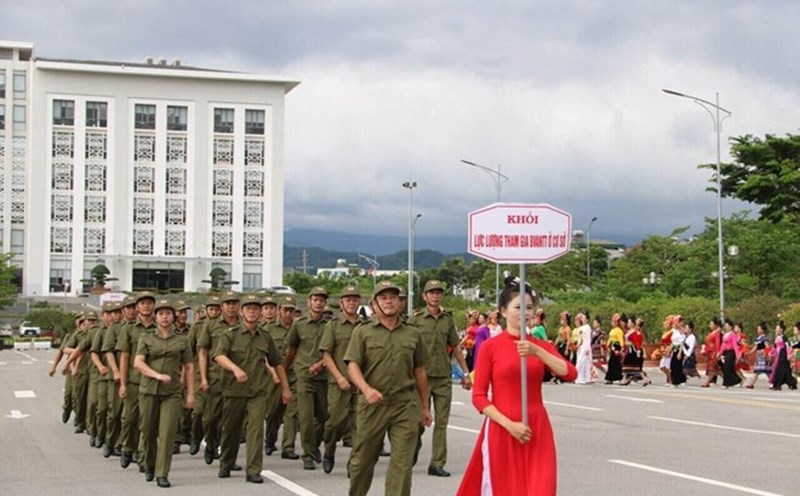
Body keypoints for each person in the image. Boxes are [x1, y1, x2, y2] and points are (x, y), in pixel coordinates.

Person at [455, 276, 577, 496]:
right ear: (503, 311)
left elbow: (570, 373)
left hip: (537, 428)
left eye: (529, 307)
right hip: (502, 429)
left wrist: (537, 351)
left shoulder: (539, 345)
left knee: (541, 489)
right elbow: (479, 397)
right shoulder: (491, 348)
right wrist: (509, 425)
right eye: (518, 307)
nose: (525, 312)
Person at [344, 280, 432, 496]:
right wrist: (366, 389)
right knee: (363, 460)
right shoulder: (363, 332)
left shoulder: (412, 333)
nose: (389, 301)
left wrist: (424, 407)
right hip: (372, 404)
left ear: (400, 303)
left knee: (403, 462)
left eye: (393, 297)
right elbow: (352, 366)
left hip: (404, 404)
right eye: (383, 298)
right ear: (374, 305)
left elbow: (420, 371)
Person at [213, 293, 292, 484]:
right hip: (234, 391)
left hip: (257, 391)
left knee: (256, 430)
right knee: (231, 430)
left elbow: (277, 363)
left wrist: (286, 388)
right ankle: (226, 461)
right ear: (241, 312)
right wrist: (235, 368)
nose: (252, 312)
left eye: (256, 309)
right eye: (248, 308)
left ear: (260, 313)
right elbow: (219, 356)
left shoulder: (265, 337)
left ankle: (254, 470)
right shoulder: (230, 334)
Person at [410, 280, 472, 478]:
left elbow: (456, 347)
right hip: (422, 378)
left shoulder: (447, 320)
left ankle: (436, 463)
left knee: (442, 422)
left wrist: (466, 372)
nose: (435, 296)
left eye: (438, 293)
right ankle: (412, 449)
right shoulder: (416, 319)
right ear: (425, 296)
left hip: (443, 377)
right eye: (431, 293)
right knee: (418, 422)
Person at [134, 298, 194, 488]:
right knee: (148, 431)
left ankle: (162, 472)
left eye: (168, 313)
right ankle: (149, 463)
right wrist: (157, 375)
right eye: (161, 314)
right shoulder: (146, 337)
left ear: (174, 316)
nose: (165, 317)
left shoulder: (182, 339)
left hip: (172, 393)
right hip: (148, 390)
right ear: (155, 316)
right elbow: (138, 363)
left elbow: (190, 367)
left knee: (167, 433)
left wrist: (190, 394)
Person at [285, 286, 332, 470]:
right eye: (315, 300)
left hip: (324, 376)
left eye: (322, 300)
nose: (319, 303)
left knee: (323, 416)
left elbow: (332, 351)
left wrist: (320, 364)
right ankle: (308, 455)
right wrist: (285, 370)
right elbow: (292, 350)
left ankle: (314, 445)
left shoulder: (330, 325)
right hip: (304, 376)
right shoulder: (299, 324)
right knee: (305, 417)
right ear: (309, 302)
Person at [318, 285, 362, 474]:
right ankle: (329, 450)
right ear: (341, 303)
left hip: (361, 383)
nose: (351, 303)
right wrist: (338, 377)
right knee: (335, 422)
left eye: (354, 299)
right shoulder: (333, 326)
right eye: (347, 299)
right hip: (339, 382)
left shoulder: (366, 325)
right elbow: (326, 355)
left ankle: (354, 463)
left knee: (359, 424)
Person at [198, 291, 240, 466]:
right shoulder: (211, 325)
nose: (230, 307)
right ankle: (210, 444)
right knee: (210, 418)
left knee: (230, 420)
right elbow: (202, 351)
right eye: (227, 303)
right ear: (222, 307)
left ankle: (227, 457)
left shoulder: (244, 325)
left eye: (233, 303)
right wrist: (203, 378)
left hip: (236, 379)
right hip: (215, 376)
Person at [117, 292, 157, 469]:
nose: (146, 306)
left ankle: (143, 456)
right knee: (129, 419)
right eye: (142, 303)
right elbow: (125, 357)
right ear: (137, 307)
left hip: (152, 381)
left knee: (147, 421)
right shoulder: (129, 328)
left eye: (149, 303)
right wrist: (123, 383)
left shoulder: (160, 327)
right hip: (133, 380)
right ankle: (128, 447)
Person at [263, 295, 300, 459]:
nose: (288, 313)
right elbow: (263, 355)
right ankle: (270, 440)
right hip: (275, 375)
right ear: (279, 311)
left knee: (292, 411)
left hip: (294, 374)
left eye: (291, 310)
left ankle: (288, 447)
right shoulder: (268, 329)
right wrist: (273, 372)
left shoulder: (299, 328)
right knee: (273, 411)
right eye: (285, 310)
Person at [621, 317, 650, 386]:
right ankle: (625, 379)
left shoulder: (634, 332)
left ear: (633, 324)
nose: (628, 324)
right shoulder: (629, 331)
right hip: (628, 349)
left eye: (629, 322)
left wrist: (638, 351)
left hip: (632, 350)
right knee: (629, 365)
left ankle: (644, 378)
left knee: (632, 365)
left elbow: (636, 342)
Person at [769, 321, 797, 390]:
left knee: (780, 370)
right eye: (776, 328)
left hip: (783, 355)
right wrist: (771, 353)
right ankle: (792, 383)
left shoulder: (784, 337)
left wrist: (789, 355)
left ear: (781, 329)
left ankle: (777, 385)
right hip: (778, 356)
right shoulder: (777, 337)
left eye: (777, 328)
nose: (776, 329)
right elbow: (775, 347)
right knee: (786, 371)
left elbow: (788, 347)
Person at [746, 323, 772, 389]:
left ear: (762, 330)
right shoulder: (758, 338)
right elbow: (755, 347)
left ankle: (772, 383)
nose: (757, 330)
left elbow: (767, 346)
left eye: (759, 329)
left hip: (763, 356)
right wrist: (749, 352)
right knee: (758, 371)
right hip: (759, 356)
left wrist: (767, 353)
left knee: (766, 371)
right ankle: (751, 384)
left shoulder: (764, 338)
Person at [720, 318, 742, 388]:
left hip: (731, 352)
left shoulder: (733, 335)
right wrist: (719, 353)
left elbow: (735, 345)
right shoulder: (725, 335)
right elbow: (723, 346)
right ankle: (737, 380)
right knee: (728, 368)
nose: (725, 327)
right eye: (725, 325)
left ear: (730, 327)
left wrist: (738, 355)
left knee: (728, 368)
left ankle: (726, 383)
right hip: (726, 352)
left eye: (727, 325)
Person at [701, 317, 723, 387]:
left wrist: (717, 353)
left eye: (711, 324)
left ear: (716, 325)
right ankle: (729, 380)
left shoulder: (717, 333)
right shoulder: (712, 333)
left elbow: (717, 344)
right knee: (717, 369)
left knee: (712, 367)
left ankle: (707, 382)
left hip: (714, 353)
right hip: (710, 353)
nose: (710, 325)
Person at [604, 314, 624, 384]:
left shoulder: (619, 331)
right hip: (612, 346)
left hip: (616, 346)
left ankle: (619, 377)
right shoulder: (612, 330)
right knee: (611, 363)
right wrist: (607, 346)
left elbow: (621, 340)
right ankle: (610, 378)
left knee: (616, 363)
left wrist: (621, 348)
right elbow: (610, 339)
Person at [574, 313, 593, 384]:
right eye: (582, 318)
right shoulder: (582, 328)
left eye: (584, 318)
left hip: (585, 346)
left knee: (581, 362)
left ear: (587, 320)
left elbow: (585, 339)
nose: (582, 319)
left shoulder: (586, 327)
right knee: (582, 362)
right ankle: (582, 378)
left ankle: (581, 378)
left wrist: (586, 347)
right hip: (582, 346)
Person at [669, 315, 687, 387]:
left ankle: (677, 381)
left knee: (677, 366)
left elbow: (681, 343)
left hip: (679, 349)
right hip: (674, 349)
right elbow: (673, 342)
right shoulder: (674, 331)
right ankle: (678, 380)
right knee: (673, 365)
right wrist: (671, 351)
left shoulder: (681, 331)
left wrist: (680, 353)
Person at [657, 316, 674, 386]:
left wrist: (670, 350)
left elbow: (673, 342)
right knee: (662, 367)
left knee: (667, 367)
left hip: (668, 349)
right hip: (663, 349)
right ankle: (669, 379)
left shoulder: (672, 332)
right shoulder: (665, 332)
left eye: (666, 324)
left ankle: (669, 380)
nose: (664, 325)